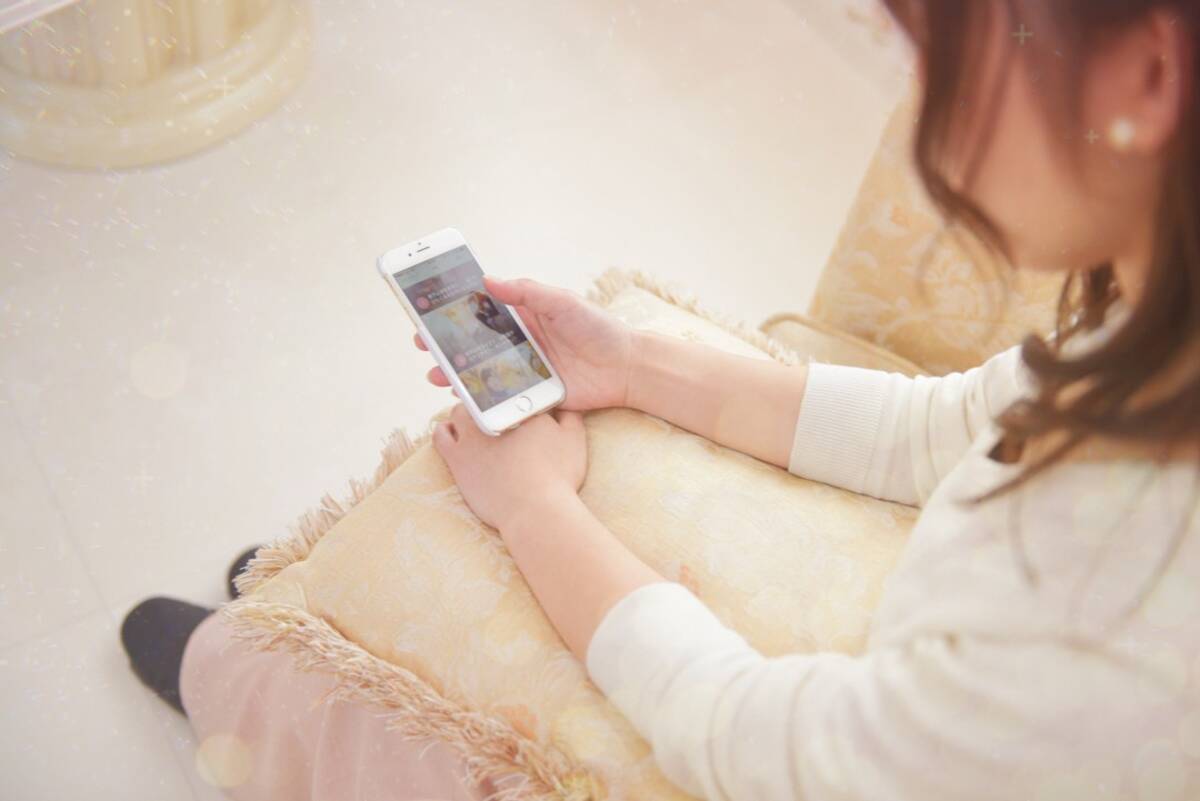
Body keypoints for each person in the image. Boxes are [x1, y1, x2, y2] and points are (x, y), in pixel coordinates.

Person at [121, 1, 1200, 798]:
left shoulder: (1124, 585)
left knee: (337, 680)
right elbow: (944, 431)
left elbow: (774, 752)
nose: (921, 103)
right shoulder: (1160, 330)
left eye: (948, 53)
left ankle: (252, 683)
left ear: (1147, 72)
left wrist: (535, 509)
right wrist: (635, 365)